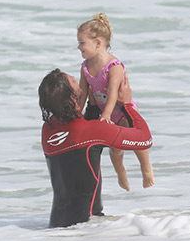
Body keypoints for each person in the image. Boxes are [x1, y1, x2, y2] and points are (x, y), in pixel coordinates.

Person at [39, 69, 152, 228]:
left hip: (56, 226)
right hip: (86, 227)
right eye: (74, 81)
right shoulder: (91, 131)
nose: (79, 81)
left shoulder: (48, 130)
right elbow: (144, 139)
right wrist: (127, 105)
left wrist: (92, 107)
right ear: (72, 97)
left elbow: (83, 150)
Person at [77, 13, 154, 191]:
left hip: (120, 108)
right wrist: (78, 113)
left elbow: (113, 92)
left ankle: (146, 168)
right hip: (106, 111)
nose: (79, 47)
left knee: (135, 140)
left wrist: (106, 114)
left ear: (97, 43)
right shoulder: (85, 66)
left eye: (82, 42)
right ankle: (120, 172)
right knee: (114, 148)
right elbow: (83, 93)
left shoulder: (114, 66)